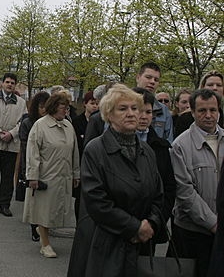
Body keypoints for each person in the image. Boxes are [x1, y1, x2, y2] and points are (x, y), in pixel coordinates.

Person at [67, 84, 164, 276]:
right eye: (123, 108)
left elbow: (158, 194)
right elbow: (96, 201)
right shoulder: (95, 150)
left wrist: (151, 223)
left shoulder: (147, 151)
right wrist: (134, 227)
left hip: (141, 245)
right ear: (109, 114)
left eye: (134, 108)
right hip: (104, 245)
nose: (131, 113)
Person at [169, 88, 224, 277]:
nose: (208, 115)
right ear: (192, 112)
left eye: (213, 110)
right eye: (202, 110)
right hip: (192, 234)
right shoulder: (180, 146)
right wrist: (213, 224)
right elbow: (185, 192)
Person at [23, 91, 80, 258]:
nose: (66, 111)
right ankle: (45, 244)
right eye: (63, 107)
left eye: (67, 108)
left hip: (64, 175)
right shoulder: (40, 126)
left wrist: (76, 173)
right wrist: (33, 176)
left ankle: (43, 235)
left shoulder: (68, 126)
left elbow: (75, 152)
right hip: (46, 175)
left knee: (56, 210)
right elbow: (32, 153)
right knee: (44, 211)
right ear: (54, 107)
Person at [133, 87, 176, 252]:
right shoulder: (111, 144)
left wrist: (155, 221)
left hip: (150, 226)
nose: (144, 117)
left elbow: (169, 188)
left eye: (148, 112)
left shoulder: (160, 147)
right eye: (139, 111)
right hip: (121, 227)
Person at [0, 73, 27, 217]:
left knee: (8, 176)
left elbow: (23, 122)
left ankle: (5, 204)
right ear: (2, 83)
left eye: (12, 83)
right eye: (7, 82)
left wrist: (12, 134)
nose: (9, 85)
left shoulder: (21, 103)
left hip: (11, 144)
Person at [18, 90, 50, 242]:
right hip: (31, 163)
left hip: (48, 165)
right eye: (41, 107)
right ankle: (34, 227)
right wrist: (27, 171)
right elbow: (26, 149)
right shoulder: (27, 123)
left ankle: (43, 226)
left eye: (46, 107)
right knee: (33, 197)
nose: (44, 110)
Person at [71, 90, 98, 220]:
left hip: (96, 165)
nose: (95, 106)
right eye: (92, 103)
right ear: (85, 104)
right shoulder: (77, 122)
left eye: (97, 103)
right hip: (81, 164)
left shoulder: (102, 122)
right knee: (80, 198)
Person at [176, 71, 224, 136]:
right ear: (202, 87)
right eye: (210, 85)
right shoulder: (185, 118)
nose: (215, 88)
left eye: (219, 85)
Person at [135, 62, 173, 142]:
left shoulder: (164, 111)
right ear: (138, 78)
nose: (152, 82)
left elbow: (169, 140)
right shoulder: (121, 104)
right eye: (148, 77)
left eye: (156, 80)